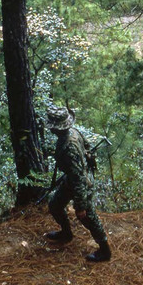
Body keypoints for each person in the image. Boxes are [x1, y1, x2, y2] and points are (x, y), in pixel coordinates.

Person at [45, 106, 111, 262]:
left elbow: (79, 178)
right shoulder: (73, 133)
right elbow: (87, 149)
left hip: (81, 182)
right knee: (55, 205)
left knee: (87, 217)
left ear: (56, 128)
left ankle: (105, 250)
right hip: (74, 178)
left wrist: (80, 205)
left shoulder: (69, 147)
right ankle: (66, 234)